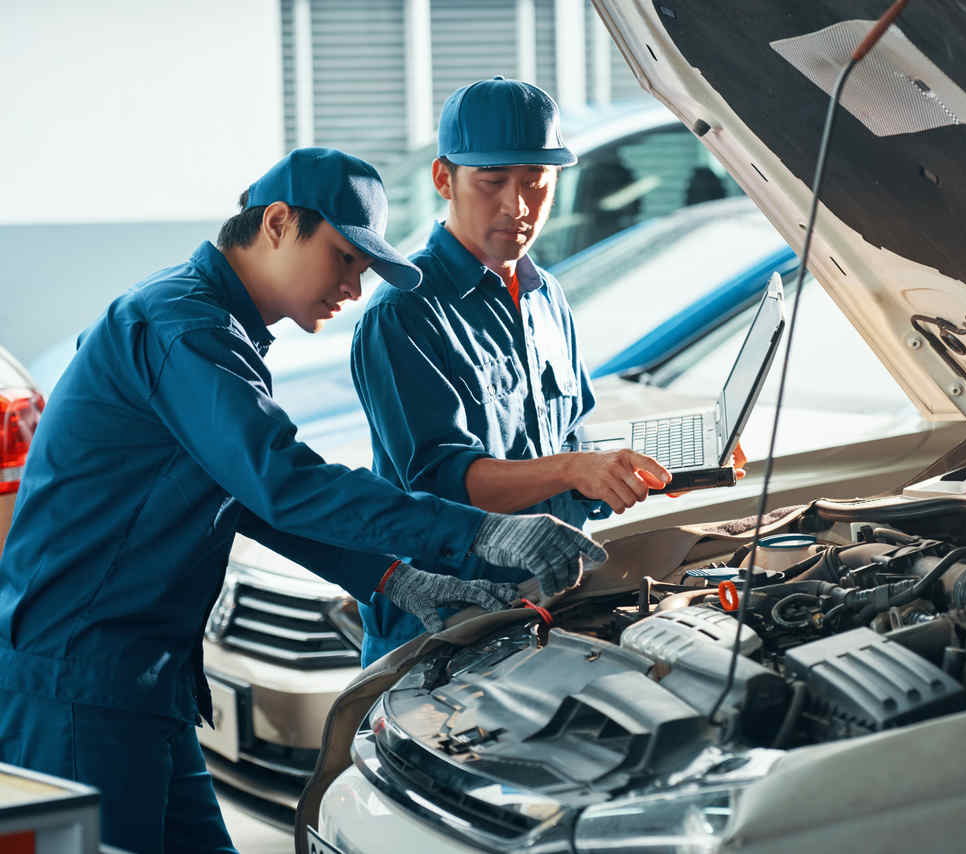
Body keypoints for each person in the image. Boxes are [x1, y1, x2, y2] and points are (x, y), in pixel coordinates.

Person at [0, 147, 605, 854]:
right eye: (345, 258)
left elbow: (245, 495)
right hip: (79, 686)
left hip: (140, 681)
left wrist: (389, 576)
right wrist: (483, 534)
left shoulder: (205, 324)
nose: (354, 286)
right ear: (280, 223)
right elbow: (282, 481)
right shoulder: (183, 329)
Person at [350, 78, 745, 665]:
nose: (518, 207)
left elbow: (565, 444)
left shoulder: (546, 297)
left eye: (536, 184)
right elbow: (441, 480)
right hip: (448, 624)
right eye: (493, 184)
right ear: (443, 179)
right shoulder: (403, 313)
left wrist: (657, 469)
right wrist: (576, 468)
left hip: (545, 602)